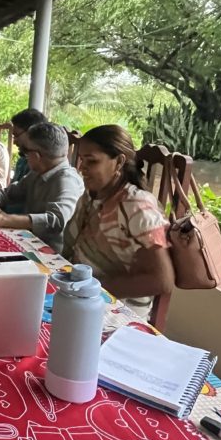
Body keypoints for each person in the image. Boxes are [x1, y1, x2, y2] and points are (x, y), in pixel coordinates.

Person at [63, 124, 174, 309]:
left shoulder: (137, 207)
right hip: (83, 297)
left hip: (116, 310)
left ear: (119, 162)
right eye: (81, 160)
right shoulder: (93, 196)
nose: (81, 168)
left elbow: (162, 280)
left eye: (92, 161)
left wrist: (93, 289)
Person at [0, 122, 84, 253]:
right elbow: (8, 194)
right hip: (27, 242)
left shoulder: (67, 180)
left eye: (25, 151)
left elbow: (57, 220)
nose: (24, 156)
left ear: (36, 156)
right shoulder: (38, 172)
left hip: (48, 255)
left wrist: (2, 219)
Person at [10, 108, 48, 184]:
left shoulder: (41, 168)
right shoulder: (22, 161)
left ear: (32, 133)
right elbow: (13, 192)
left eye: (17, 135)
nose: (14, 142)